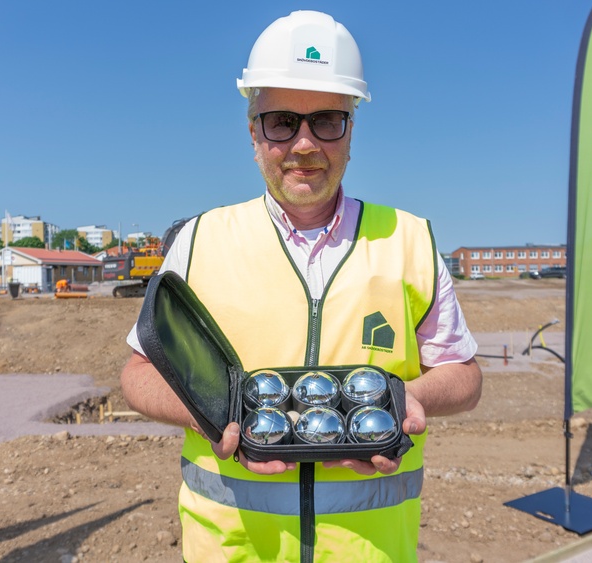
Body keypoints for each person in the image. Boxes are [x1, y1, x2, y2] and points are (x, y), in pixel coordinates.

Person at [121, 10, 482, 562]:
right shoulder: (200, 240)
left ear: (351, 129)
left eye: (328, 121)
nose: (305, 144)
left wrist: (408, 400)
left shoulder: (408, 239)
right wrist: (210, 414)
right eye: (282, 121)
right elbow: (137, 374)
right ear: (253, 132)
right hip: (233, 550)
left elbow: (464, 375)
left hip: (370, 551)